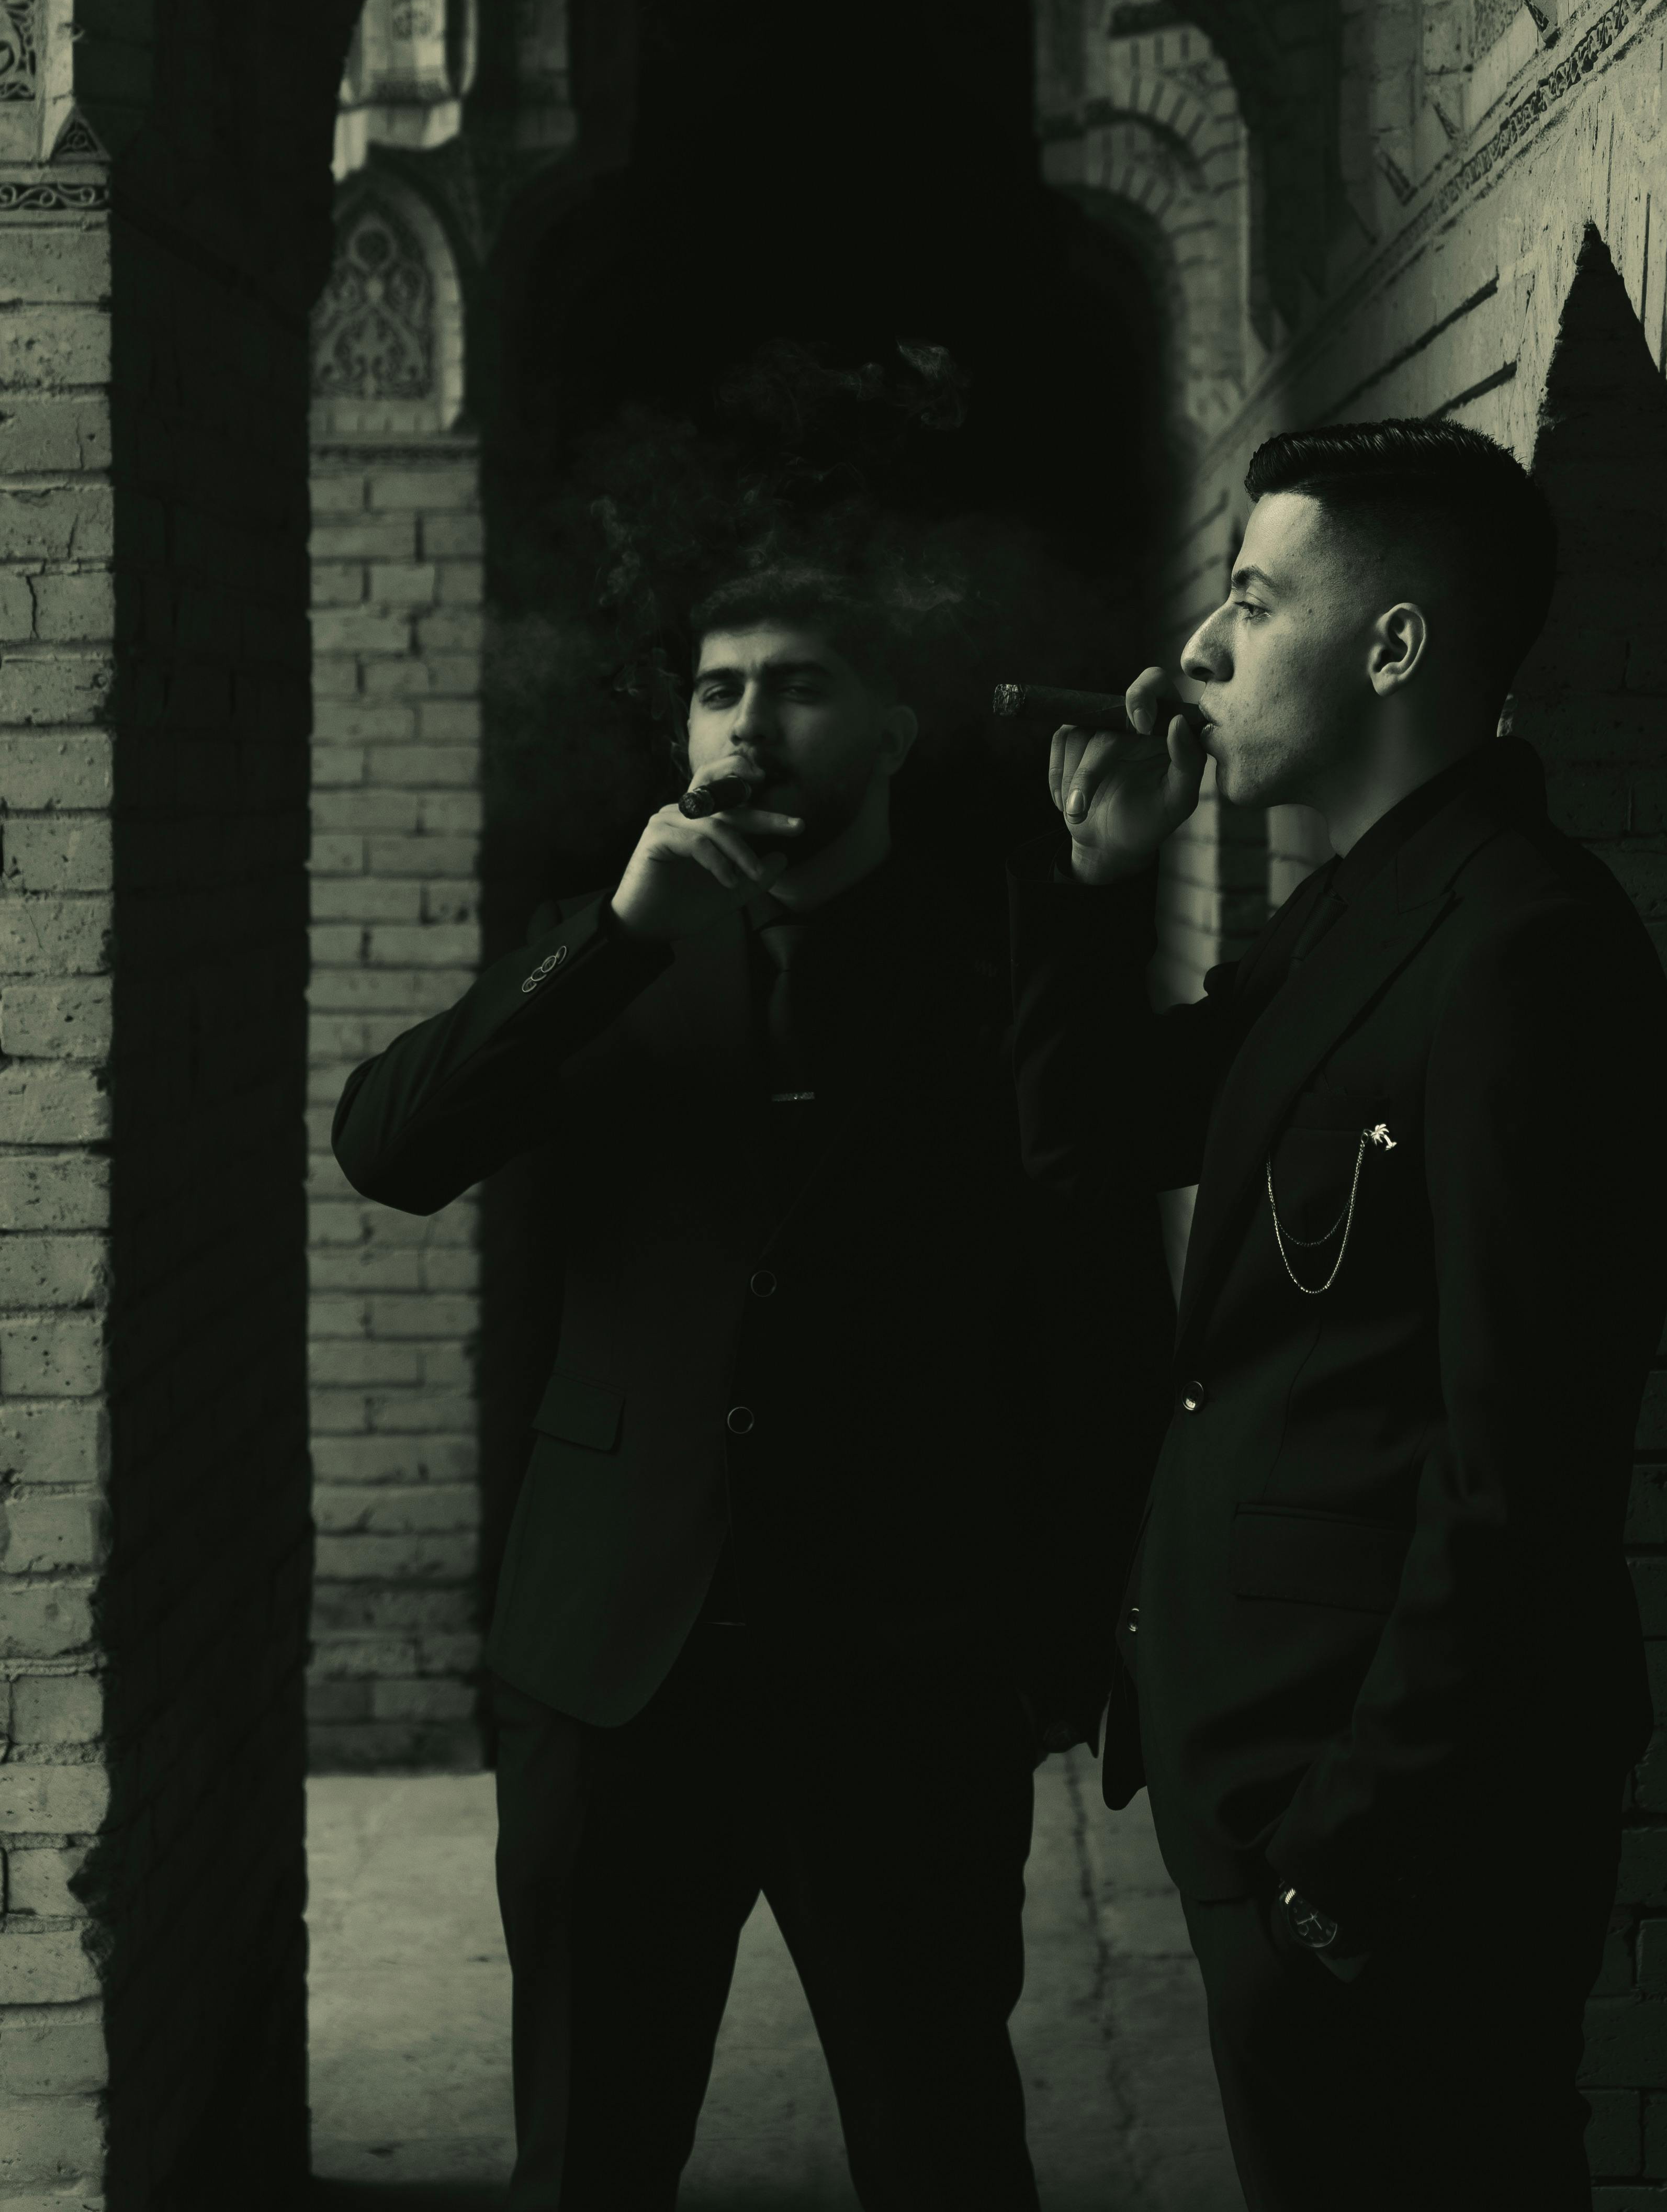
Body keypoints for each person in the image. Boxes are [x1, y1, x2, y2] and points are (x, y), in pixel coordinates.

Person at [334, 557, 1169, 2212]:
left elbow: (1091, 1299)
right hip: (610, 1666)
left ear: (894, 728)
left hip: (903, 1677)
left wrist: (1060, 1647)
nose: (749, 720)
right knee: (587, 2153)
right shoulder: (597, 953)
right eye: (720, 689)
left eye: (796, 683)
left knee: (943, 2141)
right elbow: (391, 1147)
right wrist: (623, 944)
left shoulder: (997, 949)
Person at [1007, 419, 1667, 2209]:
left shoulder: (1521, 952)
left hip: (1385, 1844)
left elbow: (1520, 1472)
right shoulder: (1356, 917)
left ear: (1394, 646)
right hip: (1276, 1794)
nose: (1199, 660)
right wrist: (1101, 887)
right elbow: (1085, 1132)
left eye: (1251, 601)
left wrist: (1341, 1862)